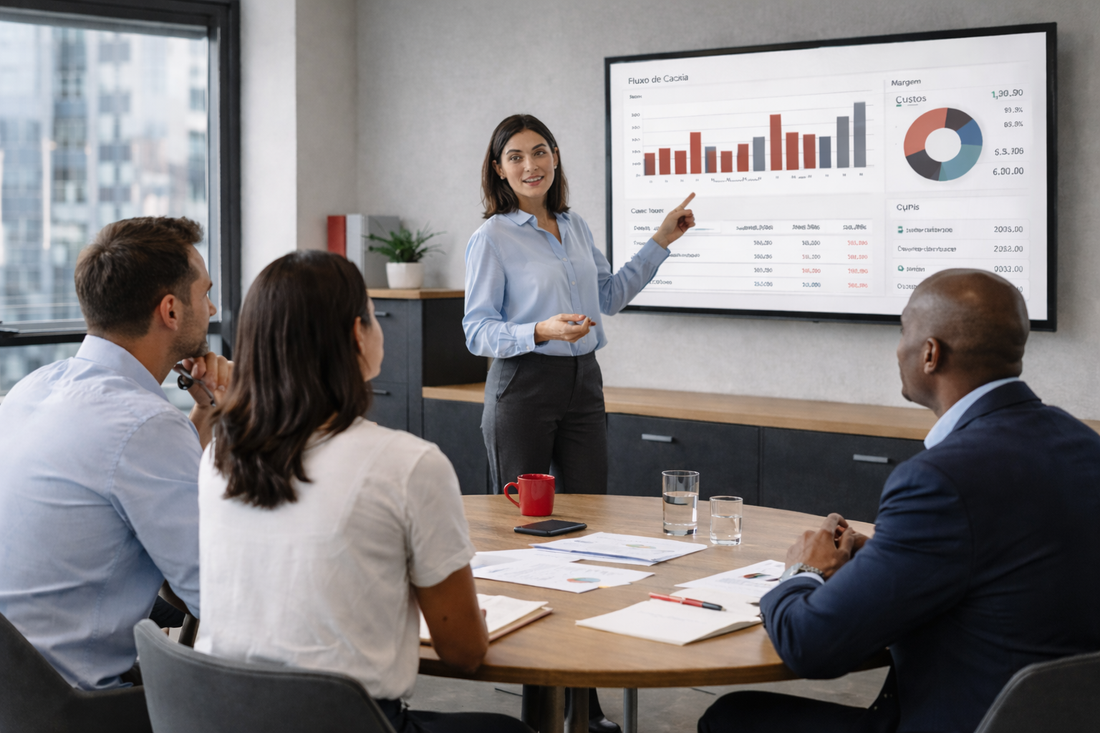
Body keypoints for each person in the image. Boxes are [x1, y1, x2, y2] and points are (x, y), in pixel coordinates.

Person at [698, 268, 1100, 733]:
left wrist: (802, 570)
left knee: (733, 718)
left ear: (930, 353)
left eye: (903, 330)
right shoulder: (1083, 444)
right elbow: (1011, 572)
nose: (897, 347)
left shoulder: (940, 479)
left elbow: (809, 645)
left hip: (961, 719)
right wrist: (885, 561)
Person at [196, 251, 531, 733]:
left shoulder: (219, 457)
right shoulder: (409, 465)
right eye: (374, 317)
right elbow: (464, 652)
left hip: (222, 716)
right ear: (358, 334)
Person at [463, 113, 695, 731]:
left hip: (583, 383)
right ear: (498, 169)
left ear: (556, 157)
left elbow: (607, 298)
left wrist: (661, 241)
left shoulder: (573, 226)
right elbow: (476, 330)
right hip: (523, 386)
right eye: (514, 157)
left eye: (539, 152)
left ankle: (584, 697)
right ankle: (535, 687)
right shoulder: (492, 237)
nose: (529, 165)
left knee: (593, 536)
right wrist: (538, 329)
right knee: (524, 544)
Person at [0, 216, 231, 690]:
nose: (211, 307)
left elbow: (120, 470)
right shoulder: (145, 424)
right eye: (205, 293)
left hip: (16, 692)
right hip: (75, 709)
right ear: (170, 310)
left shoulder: (34, 387)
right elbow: (221, 594)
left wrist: (205, 416)